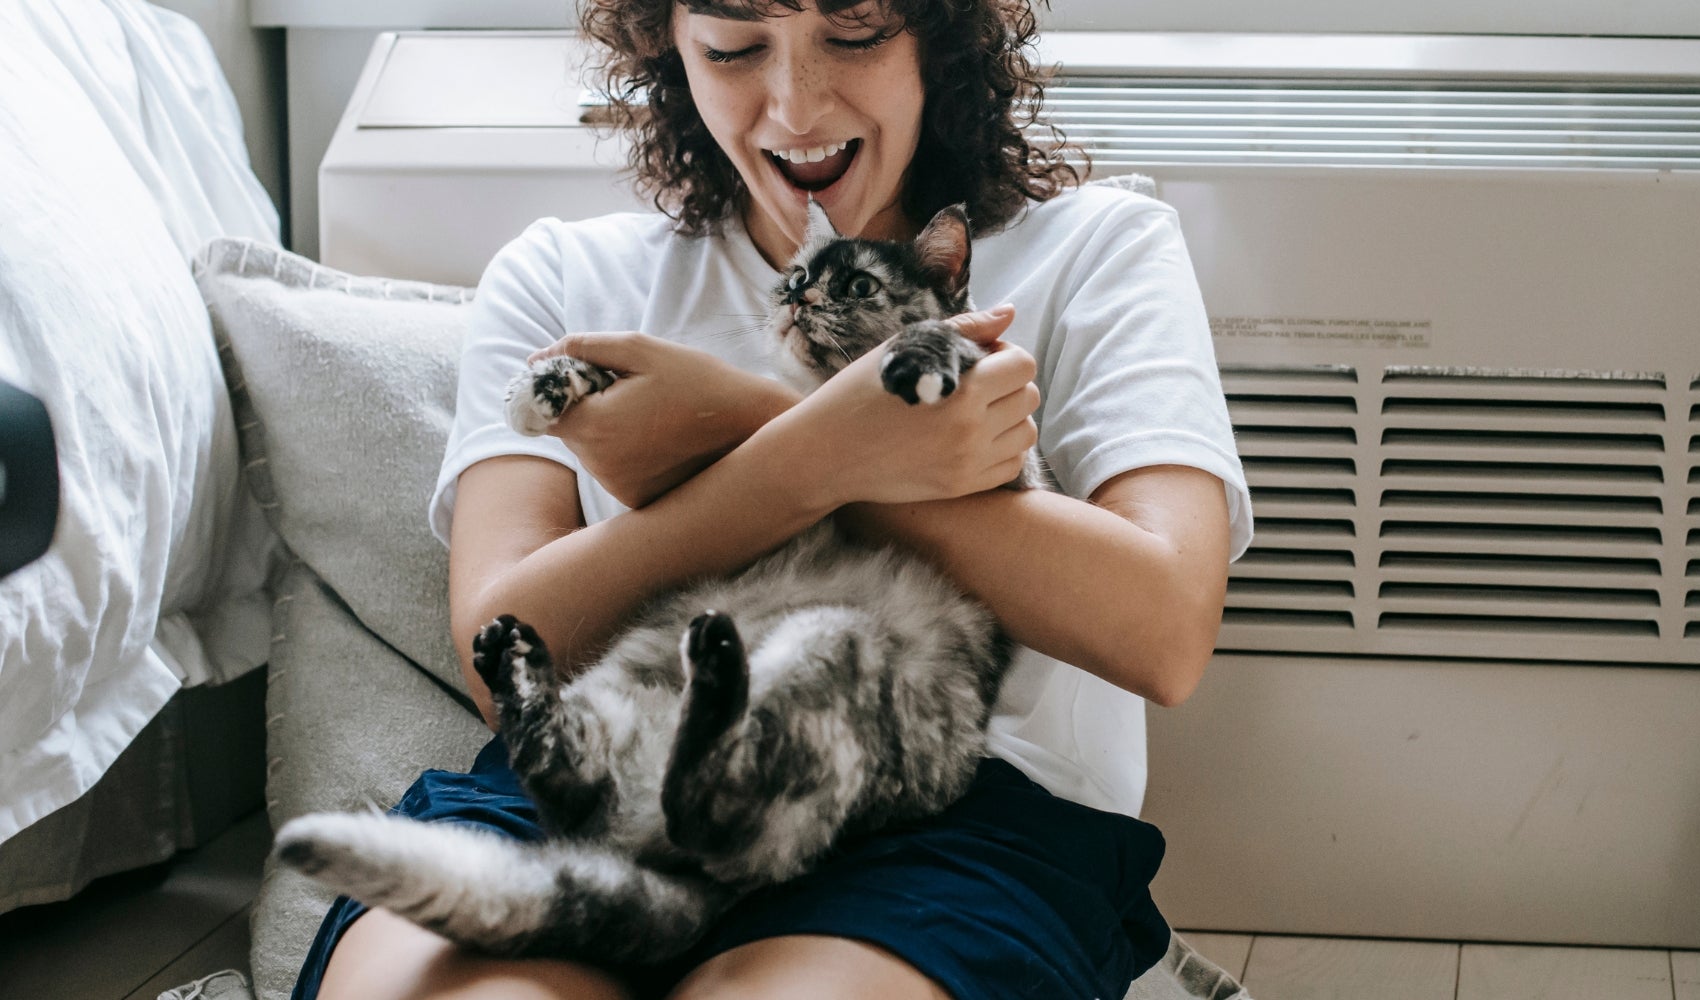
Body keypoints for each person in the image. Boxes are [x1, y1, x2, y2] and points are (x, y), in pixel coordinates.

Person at [291, 0, 1251, 997]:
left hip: (946, 825)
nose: (792, 107)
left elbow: (1164, 631)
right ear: (668, 44)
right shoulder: (561, 276)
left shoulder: (1098, 250)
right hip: (598, 774)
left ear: (941, 32)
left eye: (856, 33)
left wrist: (746, 430)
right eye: (734, 46)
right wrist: (805, 456)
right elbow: (508, 650)